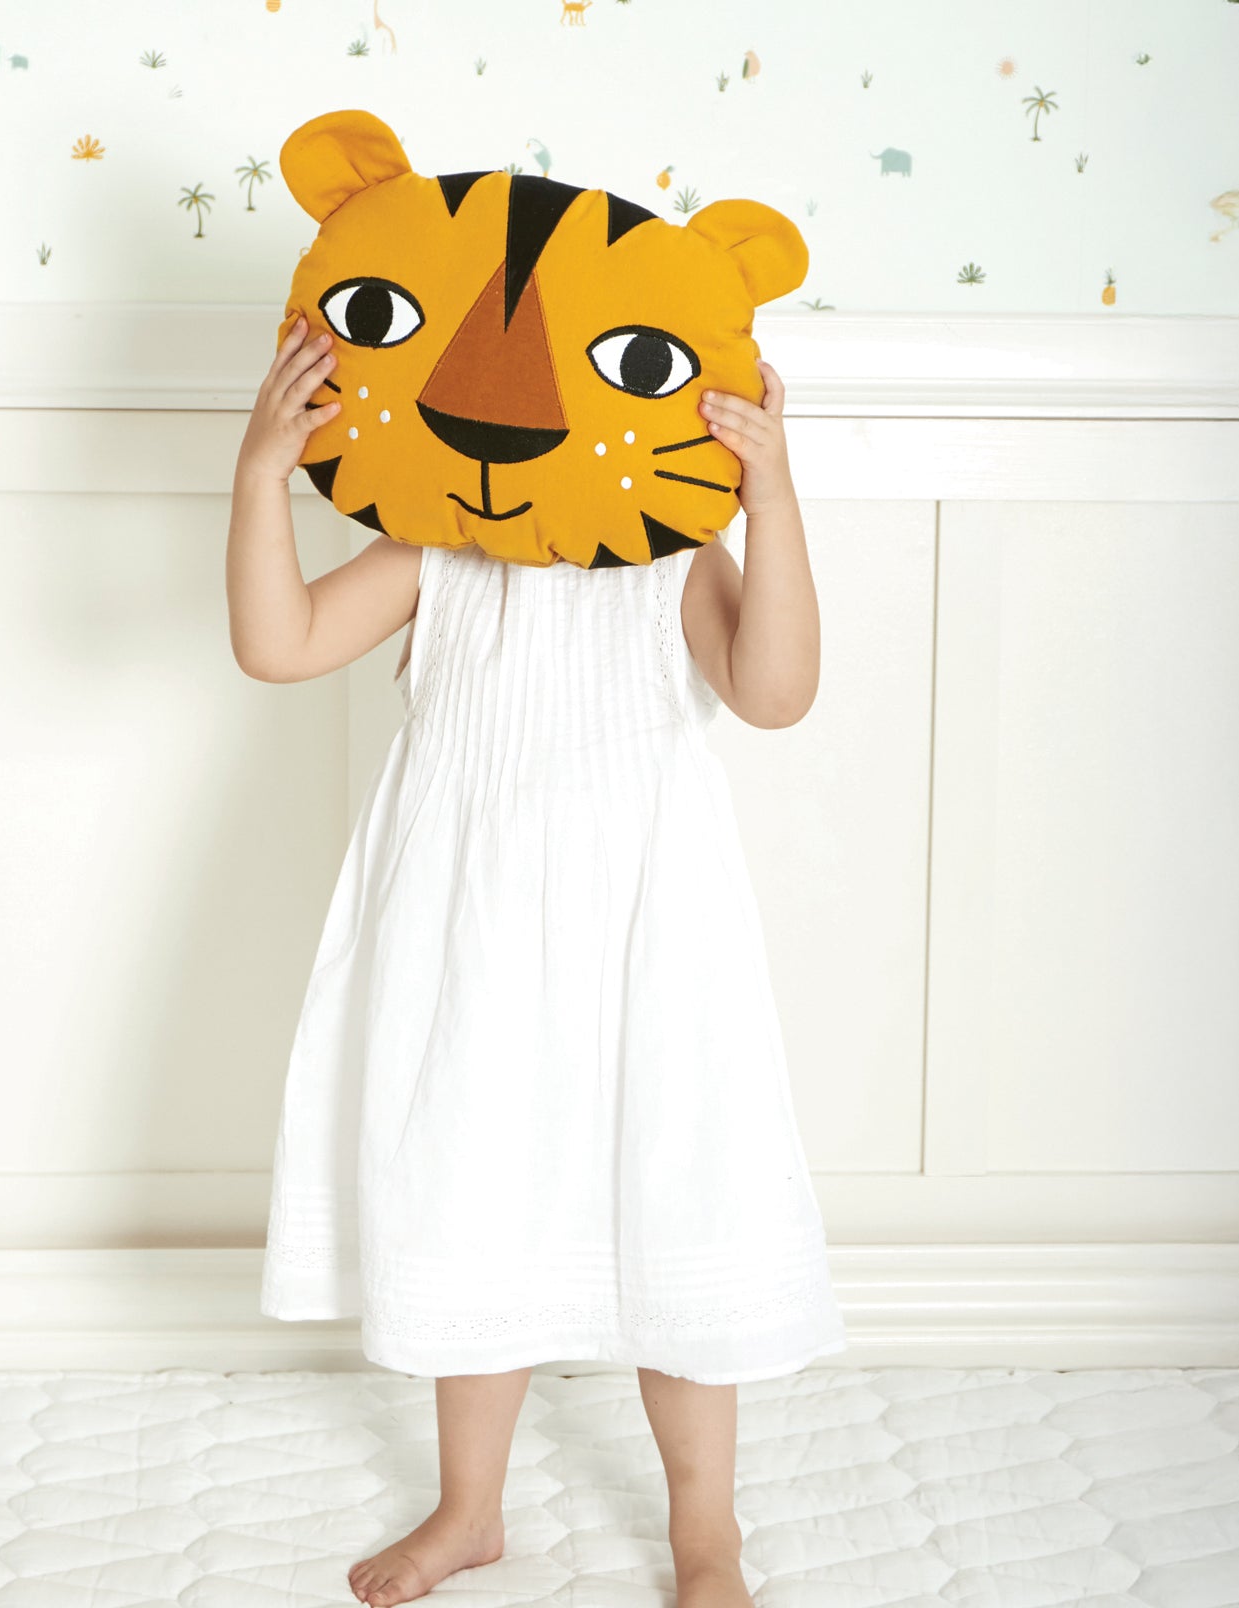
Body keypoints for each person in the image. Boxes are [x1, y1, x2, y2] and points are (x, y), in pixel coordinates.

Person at [226, 313, 847, 1608]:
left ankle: (704, 1534)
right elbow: (277, 643)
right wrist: (258, 478)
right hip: (473, 943)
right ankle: (468, 1510)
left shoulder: (666, 553)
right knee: (472, 1190)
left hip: (647, 940)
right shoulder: (439, 549)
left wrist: (769, 494)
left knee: (671, 1194)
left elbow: (774, 688)